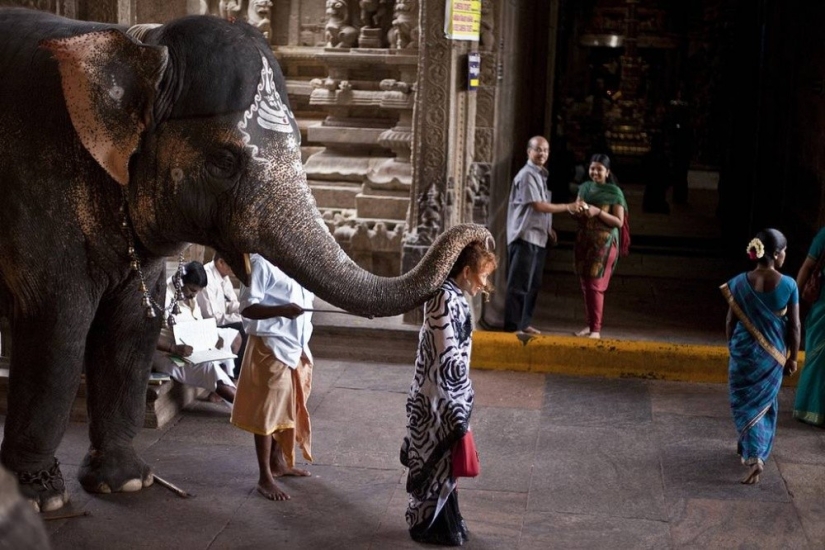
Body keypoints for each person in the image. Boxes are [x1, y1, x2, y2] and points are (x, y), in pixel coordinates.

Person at [401, 240, 497, 546]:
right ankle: (427, 524)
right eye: (483, 275)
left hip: (447, 396)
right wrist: (461, 397)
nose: (485, 283)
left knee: (446, 466)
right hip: (436, 399)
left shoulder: (455, 297)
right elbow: (446, 357)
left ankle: (444, 520)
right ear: (467, 272)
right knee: (435, 461)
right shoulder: (443, 298)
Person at [230, 254, 315, 502]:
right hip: (270, 345)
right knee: (266, 413)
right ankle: (264, 477)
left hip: (295, 346)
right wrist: (282, 310)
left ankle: (278, 463)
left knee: (286, 408)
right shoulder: (260, 263)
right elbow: (246, 307)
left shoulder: (297, 262)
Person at [721, 229, 800, 484]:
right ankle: (755, 454)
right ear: (775, 254)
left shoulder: (738, 282)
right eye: (785, 251)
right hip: (771, 356)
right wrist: (792, 358)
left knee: (744, 401)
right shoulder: (788, 285)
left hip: (743, 351)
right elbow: (795, 326)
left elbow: (731, 321)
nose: (786, 255)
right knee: (764, 404)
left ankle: (746, 446)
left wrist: (732, 347)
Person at [505, 136, 577, 334]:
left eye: (545, 150)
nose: (542, 153)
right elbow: (537, 205)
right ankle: (513, 326)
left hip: (538, 236)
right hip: (524, 236)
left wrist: (548, 229)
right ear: (529, 152)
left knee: (533, 284)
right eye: (538, 149)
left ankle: (524, 322)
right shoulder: (527, 175)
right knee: (519, 284)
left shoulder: (540, 175)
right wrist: (568, 206)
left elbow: (537, 209)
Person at [153, 261, 240, 404]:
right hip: (169, 354)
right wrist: (173, 348)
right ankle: (244, 409)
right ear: (180, 282)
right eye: (193, 290)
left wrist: (213, 338)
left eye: (198, 291)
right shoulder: (164, 298)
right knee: (209, 368)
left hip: (195, 347)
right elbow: (147, 337)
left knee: (231, 337)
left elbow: (197, 322)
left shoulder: (189, 295)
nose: (195, 295)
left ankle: (222, 388)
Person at [571, 154, 629, 339]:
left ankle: (596, 330)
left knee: (595, 285)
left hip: (604, 243)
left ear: (607, 172)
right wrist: (577, 210)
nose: (595, 172)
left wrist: (597, 212)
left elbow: (619, 222)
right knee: (585, 285)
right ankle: (590, 326)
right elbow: (577, 213)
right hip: (585, 240)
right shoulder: (585, 187)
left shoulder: (614, 192)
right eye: (592, 168)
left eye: (599, 169)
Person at [793, 227, 825, 426]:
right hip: (822, 308)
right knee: (817, 358)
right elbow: (807, 266)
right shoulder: (824, 235)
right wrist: (792, 300)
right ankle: (808, 408)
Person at [198, 252, 248, 378]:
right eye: (234, 265)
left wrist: (245, 311)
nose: (236, 269)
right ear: (221, 263)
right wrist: (241, 317)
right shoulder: (207, 278)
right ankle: (234, 377)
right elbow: (213, 318)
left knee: (249, 323)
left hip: (221, 319)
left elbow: (232, 303)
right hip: (208, 324)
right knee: (243, 328)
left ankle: (240, 375)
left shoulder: (223, 275)